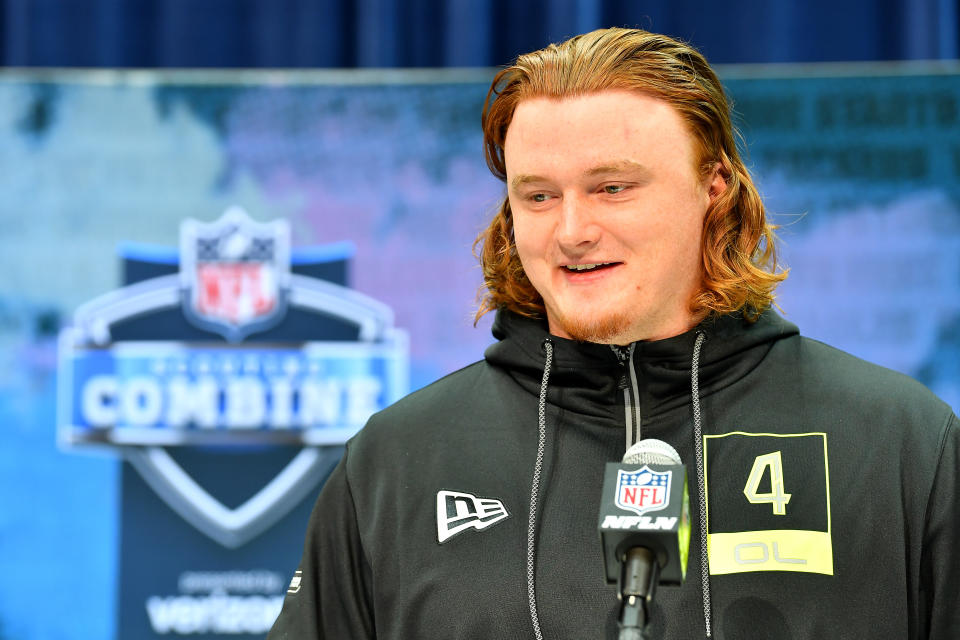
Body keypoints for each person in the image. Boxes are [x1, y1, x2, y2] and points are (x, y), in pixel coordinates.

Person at [268, 28, 959, 639]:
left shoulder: (901, 442)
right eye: (538, 196)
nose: (572, 232)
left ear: (713, 185)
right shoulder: (395, 463)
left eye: (613, 188)